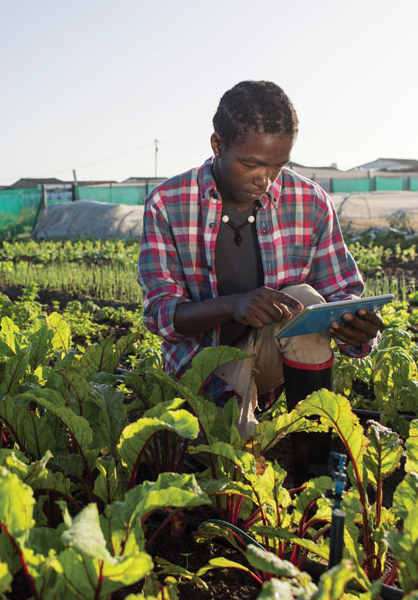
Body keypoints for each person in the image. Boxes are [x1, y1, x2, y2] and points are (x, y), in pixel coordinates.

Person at [137, 80, 384, 478]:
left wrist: (357, 329)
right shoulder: (168, 203)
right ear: (217, 145)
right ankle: (225, 436)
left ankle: (312, 474)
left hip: (270, 361)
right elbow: (161, 315)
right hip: (201, 370)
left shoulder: (310, 201)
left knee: (304, 297)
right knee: (226, 474)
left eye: (278, 165)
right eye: (251, 164)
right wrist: (231, 304)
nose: (265, 178)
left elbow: (343, 293)